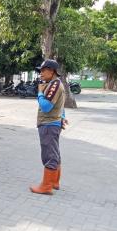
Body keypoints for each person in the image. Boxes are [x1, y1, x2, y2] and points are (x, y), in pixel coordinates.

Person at [30, 59, 67, 195]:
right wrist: (62, 117)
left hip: (48, 124)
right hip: (53, 123)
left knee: (49, 155)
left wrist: (39, 93)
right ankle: (54, 182)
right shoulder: (55, 84)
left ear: (51, 71)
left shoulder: (54, 85)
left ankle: (46, 187)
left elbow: (46, 107)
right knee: (54, 153)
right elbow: (61, 105)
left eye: (43, 70)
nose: (40, 74)